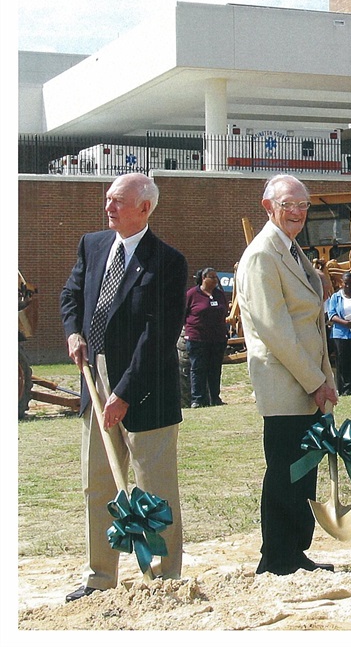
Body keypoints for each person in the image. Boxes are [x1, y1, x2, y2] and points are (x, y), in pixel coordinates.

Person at [59, 173, 187, 601]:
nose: (108, 207)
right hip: (95, 381)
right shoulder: (92, 245)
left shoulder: (167, 261)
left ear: (144, 208)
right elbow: (72, 295)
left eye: (118, 201)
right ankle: (100, 577)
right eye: (107, 199)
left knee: (155, 486)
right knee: (98, 483)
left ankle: (165, 576)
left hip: (145, 386)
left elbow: (158, 335)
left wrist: (125, 394)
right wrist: (74, 332)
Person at [235, 174, 339, 575]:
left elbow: (311, 324)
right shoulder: (262, 255)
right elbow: (276, 330)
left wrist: (324, 377)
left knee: (304, 468)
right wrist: (314, 381)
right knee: (285, 470)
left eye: (302, 206)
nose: (296, 212)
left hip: (308, 379)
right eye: (287, 205)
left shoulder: (292, 250)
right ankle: (277, 557)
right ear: (268, 206)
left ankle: (295, 552)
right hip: (284, 382)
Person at [184, 267, 229, 407]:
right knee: (198, 368)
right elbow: (183, 314)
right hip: (197, 339)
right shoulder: (192, 294)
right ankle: (198, 399)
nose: (216, 280)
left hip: (217, 339)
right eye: (212, 277)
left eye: (216, 277)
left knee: (215, 369)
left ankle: (215, 398)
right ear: (203, 278)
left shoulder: (219, 294)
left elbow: (224, 311)